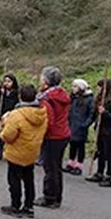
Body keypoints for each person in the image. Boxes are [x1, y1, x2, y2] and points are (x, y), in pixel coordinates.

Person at [0, 84, 47, 219]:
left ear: (20, 96)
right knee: (28, 179)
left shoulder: (16, 115)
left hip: (16, 152)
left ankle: (15, 205)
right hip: (32, 151)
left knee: (14, 179)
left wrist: (4, 124)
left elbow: (8, 135)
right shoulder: (42, 113)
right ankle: (29, 206)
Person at [35, 66, 71, 209]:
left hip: (53, 135)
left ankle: (50, 197)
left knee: (50, 167)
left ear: (46, 81)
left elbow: (48, 121)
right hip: (63, 134)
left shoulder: (47, 98)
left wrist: (39, 135)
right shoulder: (60, 94)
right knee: (56, 167)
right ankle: (56, 197)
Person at [86, 79, 111, 187]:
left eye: (100, 87)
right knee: (100, 151)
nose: (98, 89)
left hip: (110, 130)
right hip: (100, 129)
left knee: (108, 153)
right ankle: (99, 172)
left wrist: (104, 112)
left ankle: (108, 176)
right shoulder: (100, 98)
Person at [65, 79, 94, 176]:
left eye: (75, 86)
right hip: (72, 124)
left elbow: (92, 113)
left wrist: (85, 124)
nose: (73, 88)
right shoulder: (73, 98)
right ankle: (71, 163)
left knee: (80, 146)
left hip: (81, 126)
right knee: (72, 144)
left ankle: (79, 165)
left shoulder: (89, 99)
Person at [0, 74, 20, 160]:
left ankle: (9, 152)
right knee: (0, 135)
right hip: (1, 115)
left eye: (9, 81)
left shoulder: (16, 93)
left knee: (9, 135)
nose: (7, 83)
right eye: (5, 81)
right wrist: (0, 92)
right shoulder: (1, 92)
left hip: (11, 115)